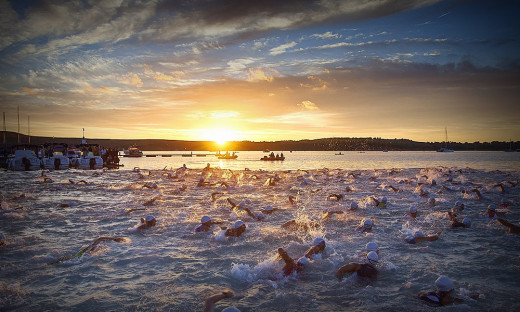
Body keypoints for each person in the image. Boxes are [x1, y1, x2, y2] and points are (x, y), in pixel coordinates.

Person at [50, 237, 126, 264]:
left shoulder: (85, 251)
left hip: (77, 256)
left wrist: (112, 239)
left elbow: (100, 239)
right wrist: (113, 239)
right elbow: (100, 239)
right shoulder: (88, 254)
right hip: (77, 258)